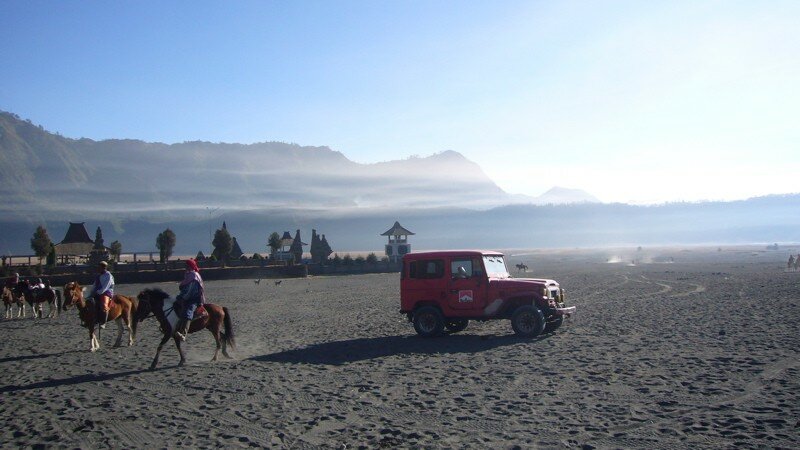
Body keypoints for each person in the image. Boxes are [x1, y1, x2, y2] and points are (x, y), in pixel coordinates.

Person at [174, 258, 204, 341]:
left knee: (188, 312)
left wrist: (183, 298)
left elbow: (191, 291)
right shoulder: (188, 275)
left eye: (187, 265)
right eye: (185, 265)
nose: (186, 267)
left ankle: (183, 333)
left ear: (191, 266)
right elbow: (185, 289)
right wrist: (179, 296)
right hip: (186, 297)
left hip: (193, 299)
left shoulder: (194, 275)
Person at [88, 261, 115, 328]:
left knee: (104, 305)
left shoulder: (109, 276)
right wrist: (91, 293)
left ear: (104, 268)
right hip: (97, 292)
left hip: (106, 292)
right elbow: (94, 286)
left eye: (99, 267)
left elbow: (106, 286)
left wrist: (99, 292)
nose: (98, 269)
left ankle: (103, 322)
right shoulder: (98, 276)